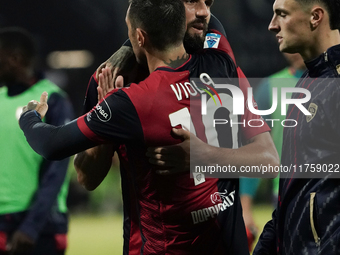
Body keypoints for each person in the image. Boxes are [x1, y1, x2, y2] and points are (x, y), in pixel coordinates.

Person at [19, 0, 278, 254]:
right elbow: (87, 178)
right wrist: (107, 131)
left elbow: (267, 161)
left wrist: (201, 155)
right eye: (190, 2)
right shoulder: (221, 60)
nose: (203, 12)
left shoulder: (221, 64)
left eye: (209, 3)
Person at [253, 0, 340, 254]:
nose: (271, 26)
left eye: (282, 14)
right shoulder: (307, 82)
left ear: (315, 17)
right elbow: (293, 188)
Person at [0, 27, 73, 255]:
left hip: (40, 227)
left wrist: (31, 227)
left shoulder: (53, 99)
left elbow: (57, 171)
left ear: (14, 59)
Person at [254, 52, 306, 204]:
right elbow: (254, 146)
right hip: (286, 195)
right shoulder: (269, 87)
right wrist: (245, 203)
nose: (291, 52)